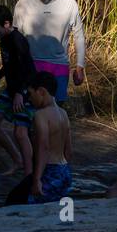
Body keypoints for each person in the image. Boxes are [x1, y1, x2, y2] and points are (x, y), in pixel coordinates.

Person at [12, 0, 86, 106]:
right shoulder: (23, 4)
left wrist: (80, 66)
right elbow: (16, 39)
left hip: (59, 65)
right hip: (31, 65)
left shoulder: (69, 4)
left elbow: (79, 35)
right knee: (28, 112)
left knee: (56, 109)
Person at [0, 4, 35, 176]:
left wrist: (21, 93)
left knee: (20, 132)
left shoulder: (17, 40)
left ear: (6, 24)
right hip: (12, 88)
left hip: (26, 89)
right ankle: (17, 160)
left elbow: (25, 69)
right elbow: (8, 65)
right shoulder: (4, 38)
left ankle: (29, 174)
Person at [25, 70, 72, 204]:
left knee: (35, 209)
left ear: (41, 91)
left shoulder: (41, 115)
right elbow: (68, 151)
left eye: (30, 94)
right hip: (64, 170)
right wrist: (65, 172)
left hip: (49, 171)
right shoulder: (63, 114)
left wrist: (37, 179)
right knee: (57, 212)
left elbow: (43, 147)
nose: (29, 99)